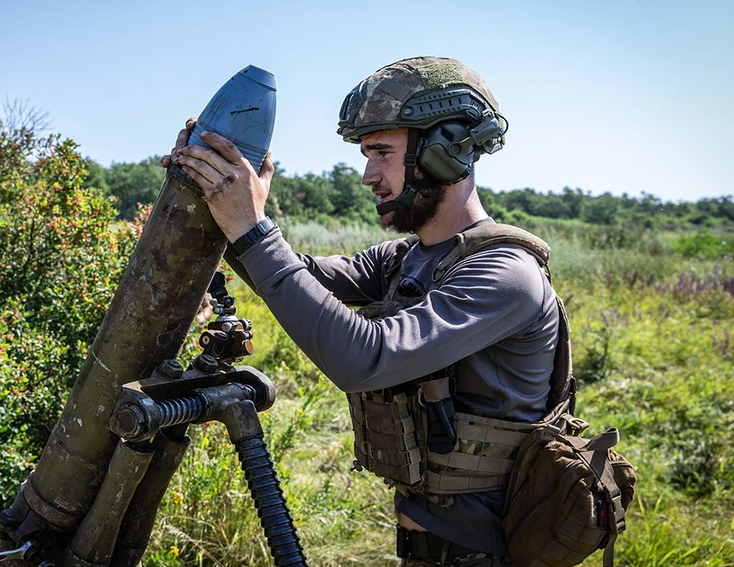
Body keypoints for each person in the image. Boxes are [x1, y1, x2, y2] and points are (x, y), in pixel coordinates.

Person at [162, 57, 562, 567]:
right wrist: (220, 196)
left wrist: (251, 228)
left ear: (448, 150)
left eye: (381, 152)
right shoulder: (406, 259)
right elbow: (291, 274)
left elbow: (364, 359)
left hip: (487, 553)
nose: (368, 175)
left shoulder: (506, 275)